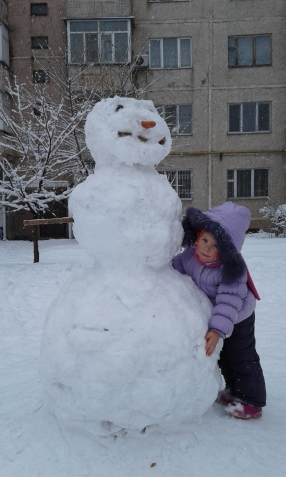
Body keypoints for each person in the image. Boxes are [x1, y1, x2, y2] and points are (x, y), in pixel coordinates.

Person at [172, 202, 266, 419]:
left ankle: (251, 400)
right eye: (204, 240)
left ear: (227, 251)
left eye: (215, 246)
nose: (206, 248)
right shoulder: (189, 256)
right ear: (197, 236)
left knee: (241, 355)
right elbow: (173, 269)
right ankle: (234, 390)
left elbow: (228, 302)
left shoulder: (231, 271)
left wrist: (218, 330)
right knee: (223, 355)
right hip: (218, 316)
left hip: (238, 315)